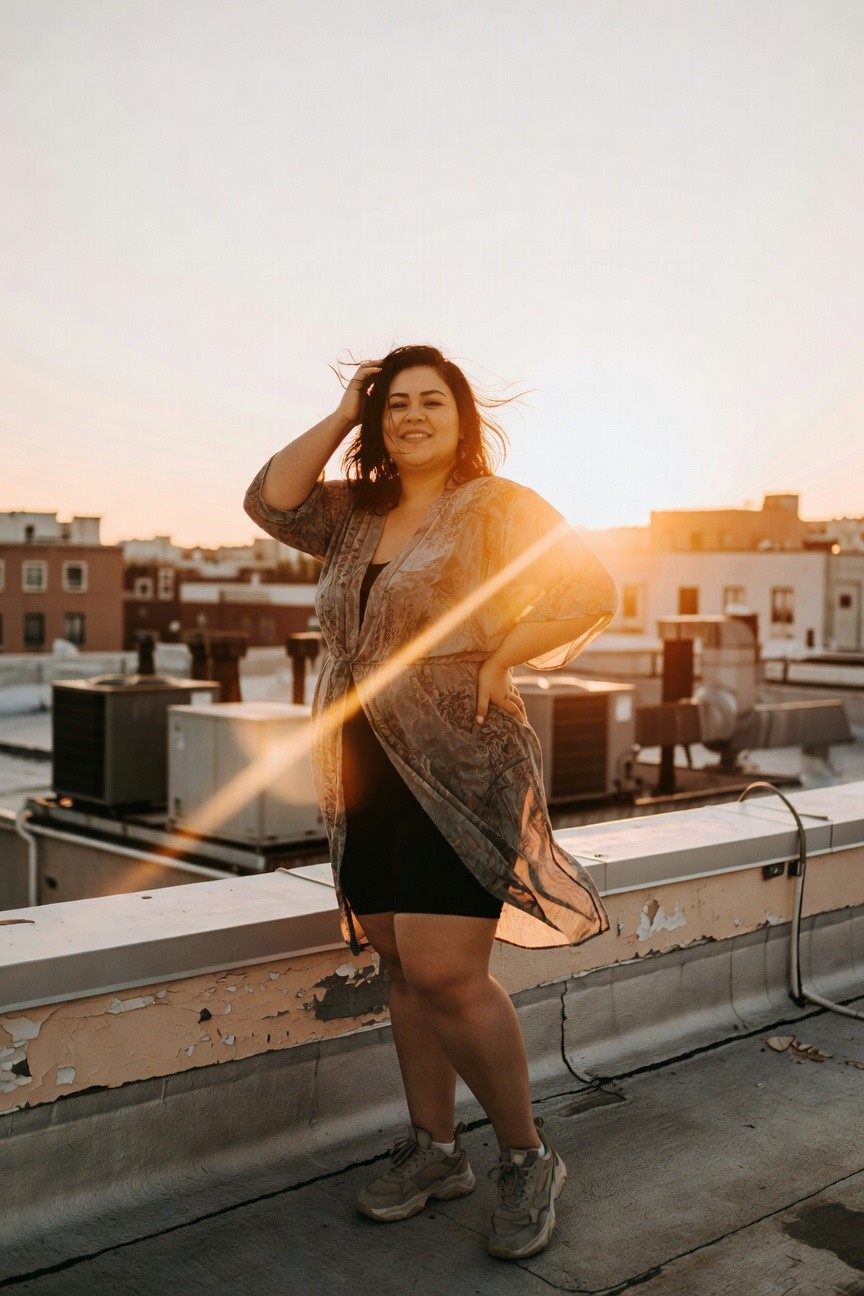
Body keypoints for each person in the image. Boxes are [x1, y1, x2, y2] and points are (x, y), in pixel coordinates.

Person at [243, 344, 618, 1260]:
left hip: (460, 764)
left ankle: (527, 1158)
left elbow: (593, 589)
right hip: (361, 767)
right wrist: (340, 413)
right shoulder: (353, 513)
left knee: (449, 973)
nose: (412, 417)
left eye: (431, 403)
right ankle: (435, 1149)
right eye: (395, 405)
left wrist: (500, 655)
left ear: (462, 420)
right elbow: (268, 500)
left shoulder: (495, 507)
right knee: (403, 968)